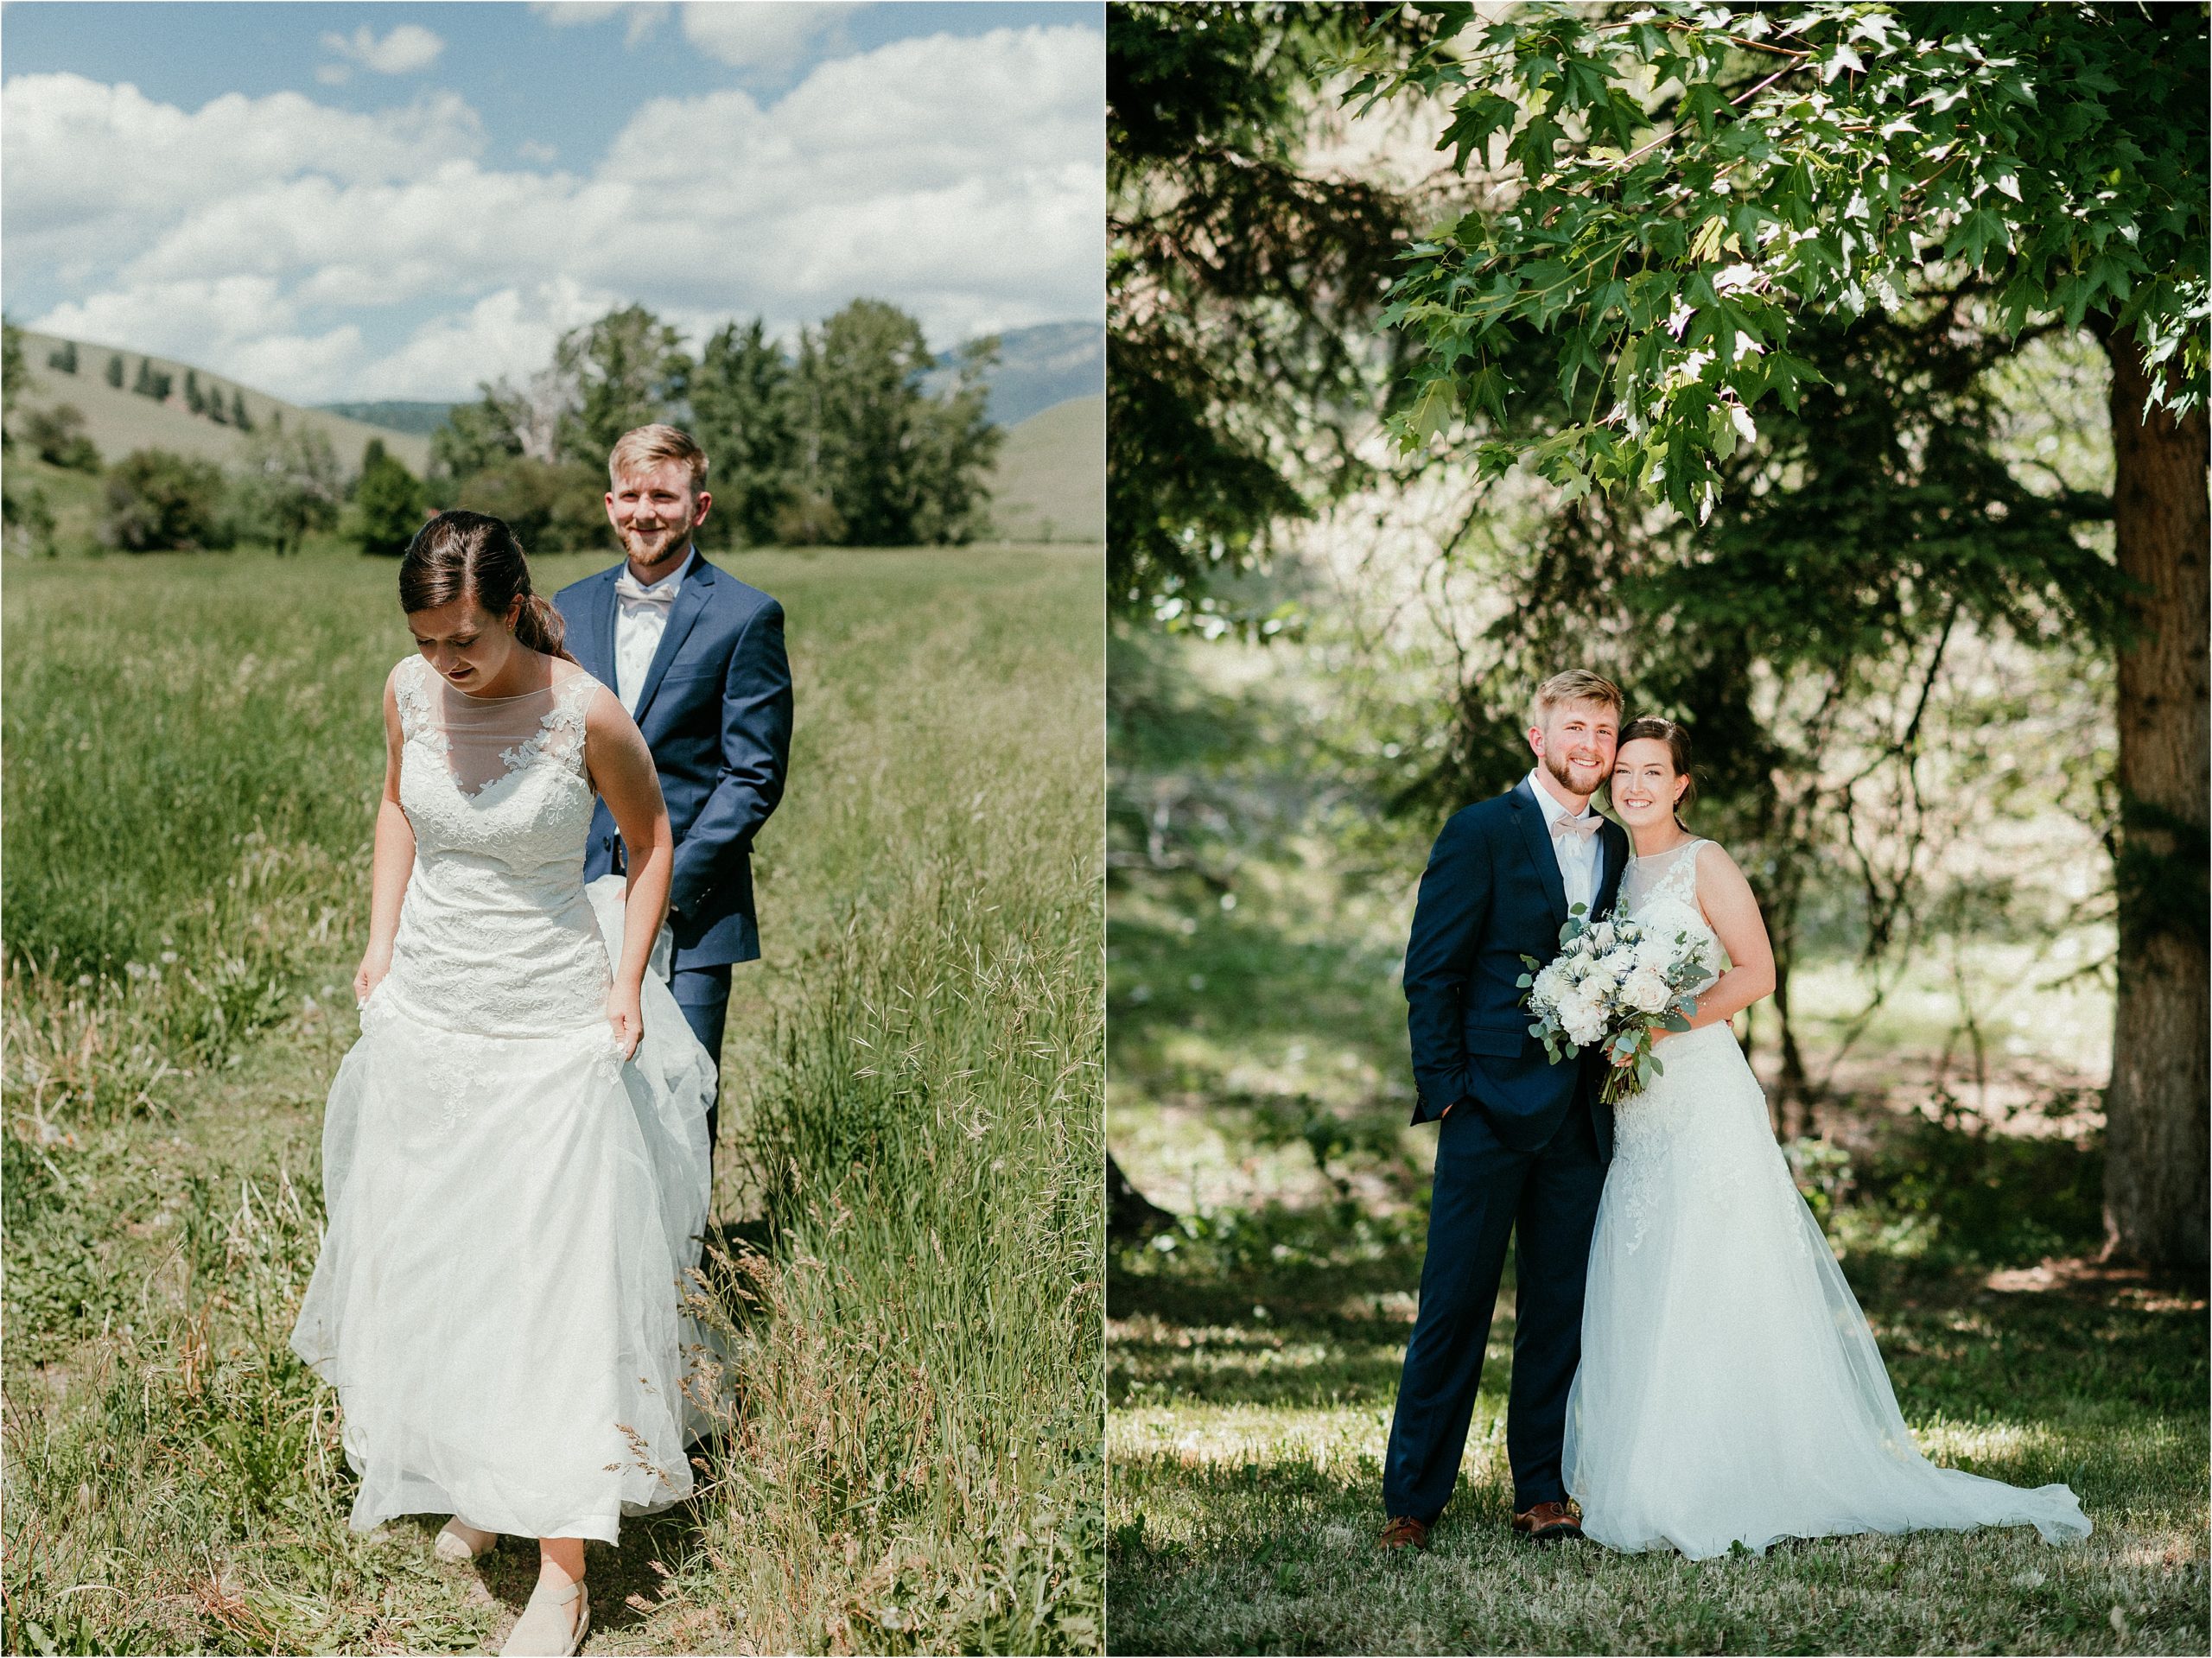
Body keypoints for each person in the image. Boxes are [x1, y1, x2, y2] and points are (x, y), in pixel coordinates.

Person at [289, 511, 717, 1657]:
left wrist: (626, 981)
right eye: (426, 640)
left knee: (552, 1275)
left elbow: (653, 841)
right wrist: (379, 942)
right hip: (431, 1009)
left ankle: (566, 1571)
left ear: (517, 606)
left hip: (548, 1020)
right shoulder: (407, 690)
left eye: (464, 639)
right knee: (445, 1247)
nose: (445, 663)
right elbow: (395, 807)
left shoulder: (585, 710)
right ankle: (482, 1479)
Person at [1562, 718, 2092, 1557]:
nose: (1633, 785)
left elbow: (1755, 972)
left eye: (1651, 771)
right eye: (1622, 770)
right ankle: (1643, 1469)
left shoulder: (1707, 863)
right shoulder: (1614, 869)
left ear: (1681, 784)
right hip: (1638, 1106)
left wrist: (1657, 1024)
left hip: (1699, 1092)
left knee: (1710, 1269)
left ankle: (1725, 1473)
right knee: (1645, 1265)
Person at [1380, 669, 1632, 1549]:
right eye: (1574, 727)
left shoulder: (1617, 846)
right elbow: (1431, 969)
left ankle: (1540, 1489)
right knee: (1454, 1303)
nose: (1590, 746)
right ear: (1537, 736)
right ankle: (1412, 1499)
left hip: (1577, 1113)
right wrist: (1448, 1089)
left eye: (1603, 731)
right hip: (1485, 1104)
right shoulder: (1481, 829)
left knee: (1556, 1307)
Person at [553, 425, 793, 1166]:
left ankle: (685, 1278)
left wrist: (664, 886)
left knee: (684, 1095)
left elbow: (753, 774)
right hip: (576, 899)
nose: (645, 512)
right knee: (582, 1095)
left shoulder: (746, 615)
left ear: (699, 506)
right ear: (610, 503)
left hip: (696, 902)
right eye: (631, 496)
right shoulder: (567, 608)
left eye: (664, 495)